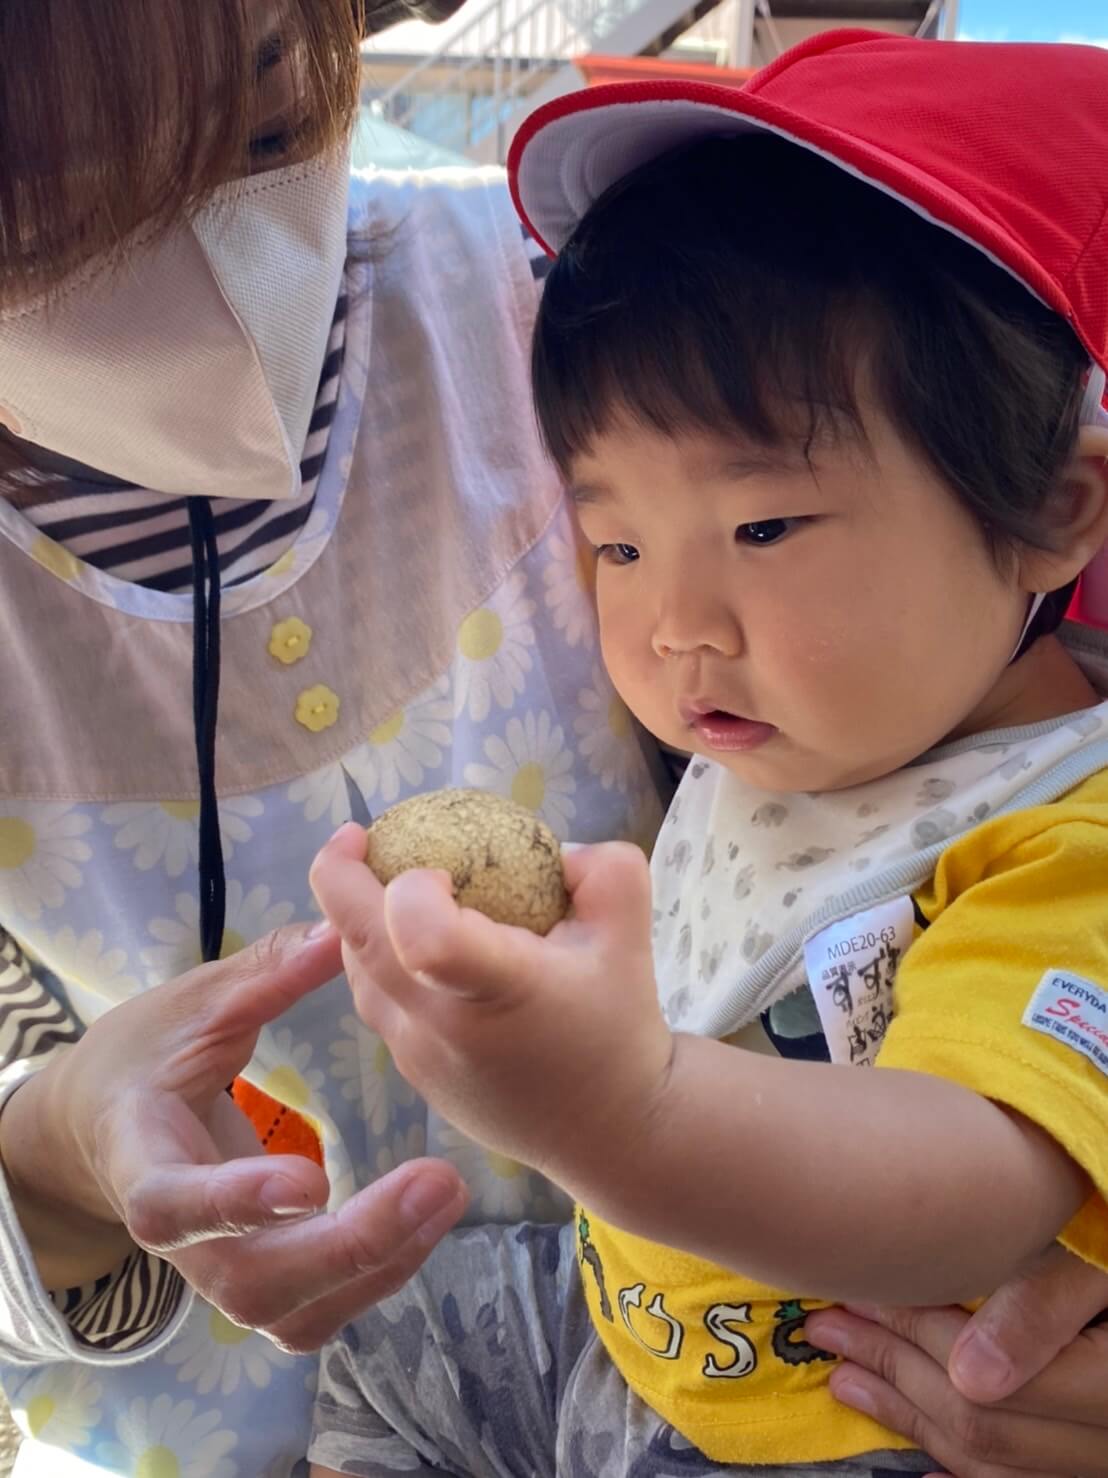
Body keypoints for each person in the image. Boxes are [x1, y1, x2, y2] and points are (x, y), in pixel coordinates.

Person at [0, 6, 1103, 1476]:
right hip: (569, 1327)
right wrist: (52, 1152)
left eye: (266, 117)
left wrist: (625, 1113)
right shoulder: (797, 713)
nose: (674, 628)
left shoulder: (1053, 833)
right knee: (386, 1368)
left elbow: (982, 1174)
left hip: (824, 1417)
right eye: (613, 546)